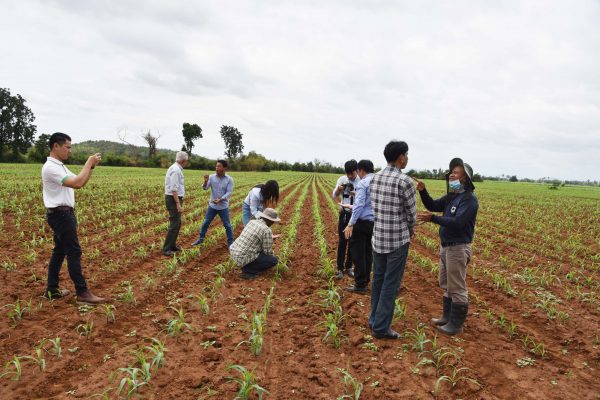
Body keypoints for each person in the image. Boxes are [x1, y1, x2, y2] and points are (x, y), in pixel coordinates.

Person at [41, 132, 107, 305]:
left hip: (62, 214)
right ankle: (82, 292)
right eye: (67, 147)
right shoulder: (51, 167)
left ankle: (52, 289)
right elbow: (77, 183)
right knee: (74, 252)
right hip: (61, 215)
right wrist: (88, 163)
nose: (69, 150)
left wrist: (91, 168)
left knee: (59, 251)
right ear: (56, 146)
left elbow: (81, 181)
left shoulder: (60, 166)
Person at [415, 158, 479, 336]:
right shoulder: (452, 197)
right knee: (446, 284)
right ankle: (447, 317)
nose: (451, 175)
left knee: (457, 286)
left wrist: (433, 219)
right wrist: (423, 191)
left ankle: (456, 325)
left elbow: (458, 222)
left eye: (456, 173)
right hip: (446, 247)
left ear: (465, 178)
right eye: (451, 172)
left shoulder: (469, 200)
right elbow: (433, 205)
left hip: (458, 248)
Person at [369, 141, 416, 339]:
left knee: (378, 280)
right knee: (391, 283)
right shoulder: (405, 181)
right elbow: (411, 215)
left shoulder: (374, 177)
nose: (407, 158)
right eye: (407, 155)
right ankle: (381, 327)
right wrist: (411, 230)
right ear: (401, 157)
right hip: (397, 240)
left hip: (378, 237)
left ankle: (374, 320)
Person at [343, 159, 375, 294]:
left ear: (361, 170)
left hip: (361, 223)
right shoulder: (377, 181)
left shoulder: (363, 183)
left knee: (358, 253)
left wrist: (351, 223)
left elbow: (360, 204)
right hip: (373, 223)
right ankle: (366, 280)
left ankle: (360, 284)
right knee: (368, 253)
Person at [192, 160, 235, 247]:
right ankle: (201, 239)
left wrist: (220, 199)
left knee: (227, 225)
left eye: (219, 166)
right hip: (212, 206)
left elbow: (229, 192)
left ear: (224, 168)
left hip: (223, 207)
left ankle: (231, 242)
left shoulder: (229, 179)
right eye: (216, 166)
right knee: (205, 223)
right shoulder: (211, 177)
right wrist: (205, 181)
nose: (216, 168)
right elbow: (205, 188)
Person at [229, 208, 280, 280]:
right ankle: (249, 271)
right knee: (273, 260)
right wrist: (273, 257)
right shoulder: (266, 230)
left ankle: (246, 265)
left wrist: (269, 238)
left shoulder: (252, 222)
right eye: (273, 221)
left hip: (234, 252)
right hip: (242, 257)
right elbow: (268, 252)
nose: (273, 223)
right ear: (270, 220)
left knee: (260, 251)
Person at [332, 159, 360, 280]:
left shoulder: (361, 181)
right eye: (347, 173)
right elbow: (334, 195)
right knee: (342, 241)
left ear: (357, 171)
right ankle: (339, 268)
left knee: (353, 242)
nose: (349, 176)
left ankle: (349, 267)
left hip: (356, 215)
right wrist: (339, 189)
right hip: (344, 214)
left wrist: (354, 193)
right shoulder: (342, 179)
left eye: (352, 173)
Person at [162, 151, 189, 256]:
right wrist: (178, 203)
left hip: (174, 198)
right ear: (183, 161)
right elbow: (174, 188)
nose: (187, 162)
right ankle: (166, 249)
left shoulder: (176, 168)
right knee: (174, 224)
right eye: (186, 161)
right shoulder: (176, 170)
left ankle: (172, 245)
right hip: (173, 199)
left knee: (177, 223)